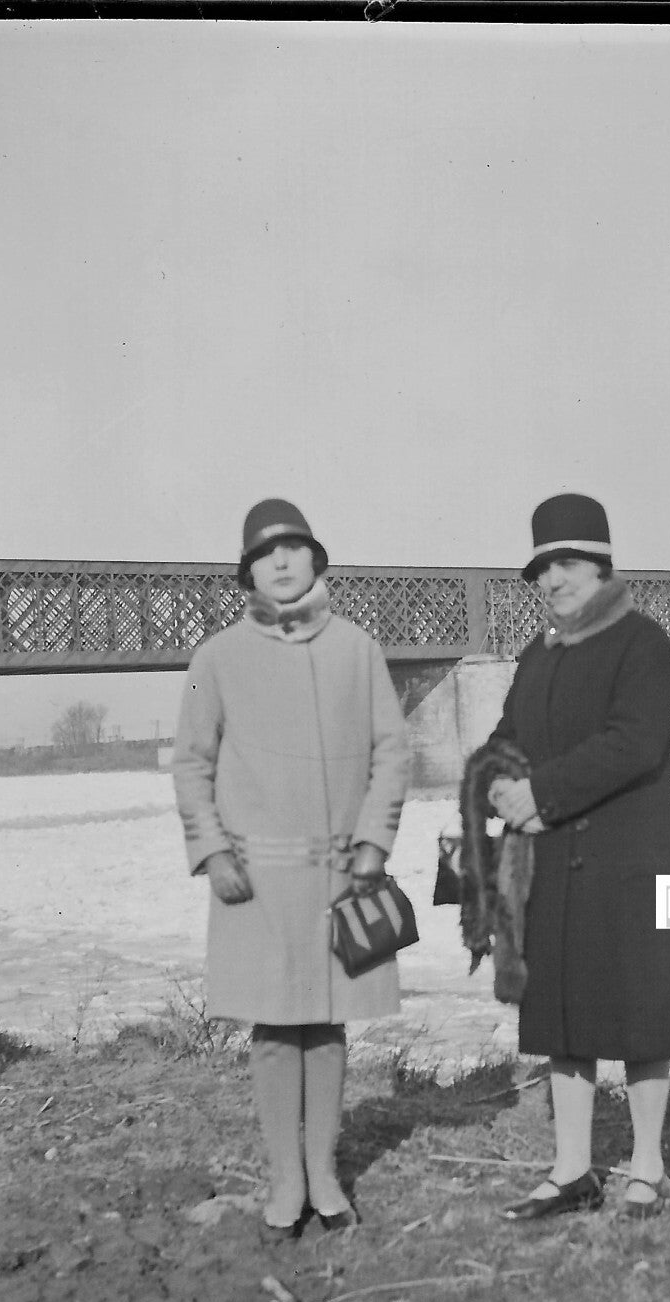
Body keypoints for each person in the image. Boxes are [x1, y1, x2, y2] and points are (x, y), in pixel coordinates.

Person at [172, 498, 411, 1240]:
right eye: (264, 555)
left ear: (316, 561)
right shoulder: (217, 657)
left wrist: (373, 844)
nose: (280, 564)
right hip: (257, 884)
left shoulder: (358, 649)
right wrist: (212, 850)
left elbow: (392, 752)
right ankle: (284, 1180)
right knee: (276, 1032)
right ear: (248, 573)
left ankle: (325, 1173)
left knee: (328, 1027)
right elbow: (191, 762)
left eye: (294, 550)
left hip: (343, 877)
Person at [485, 493, 670, 1222]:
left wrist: (538, 791)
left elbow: (633, 743)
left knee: (644, 1015)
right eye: (541, 569)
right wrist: (499, 785)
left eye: (566, 564)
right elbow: (501, 740)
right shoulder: (537, 656)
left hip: (628, 860)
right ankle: (572, 1169)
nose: (552, 580)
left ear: (603, 567)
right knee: (562, 1020)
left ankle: (648, 1166)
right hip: (551, 865)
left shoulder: (644, 642)